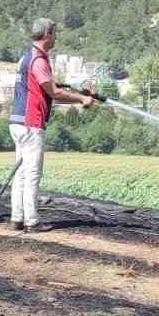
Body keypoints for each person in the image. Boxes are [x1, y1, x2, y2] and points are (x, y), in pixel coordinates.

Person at [7, 19, 98, 232]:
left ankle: (16, 219)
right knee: (32, 174)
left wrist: (78, 91)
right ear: (47, 34)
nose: (56, 38)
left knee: (20, 174)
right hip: (31, 123)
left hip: (18, 122)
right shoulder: (38, 60)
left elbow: (48, 85)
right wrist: (82, 100)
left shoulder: (27, 56)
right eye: (54, 33)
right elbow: (54, 93)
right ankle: (32, 222)